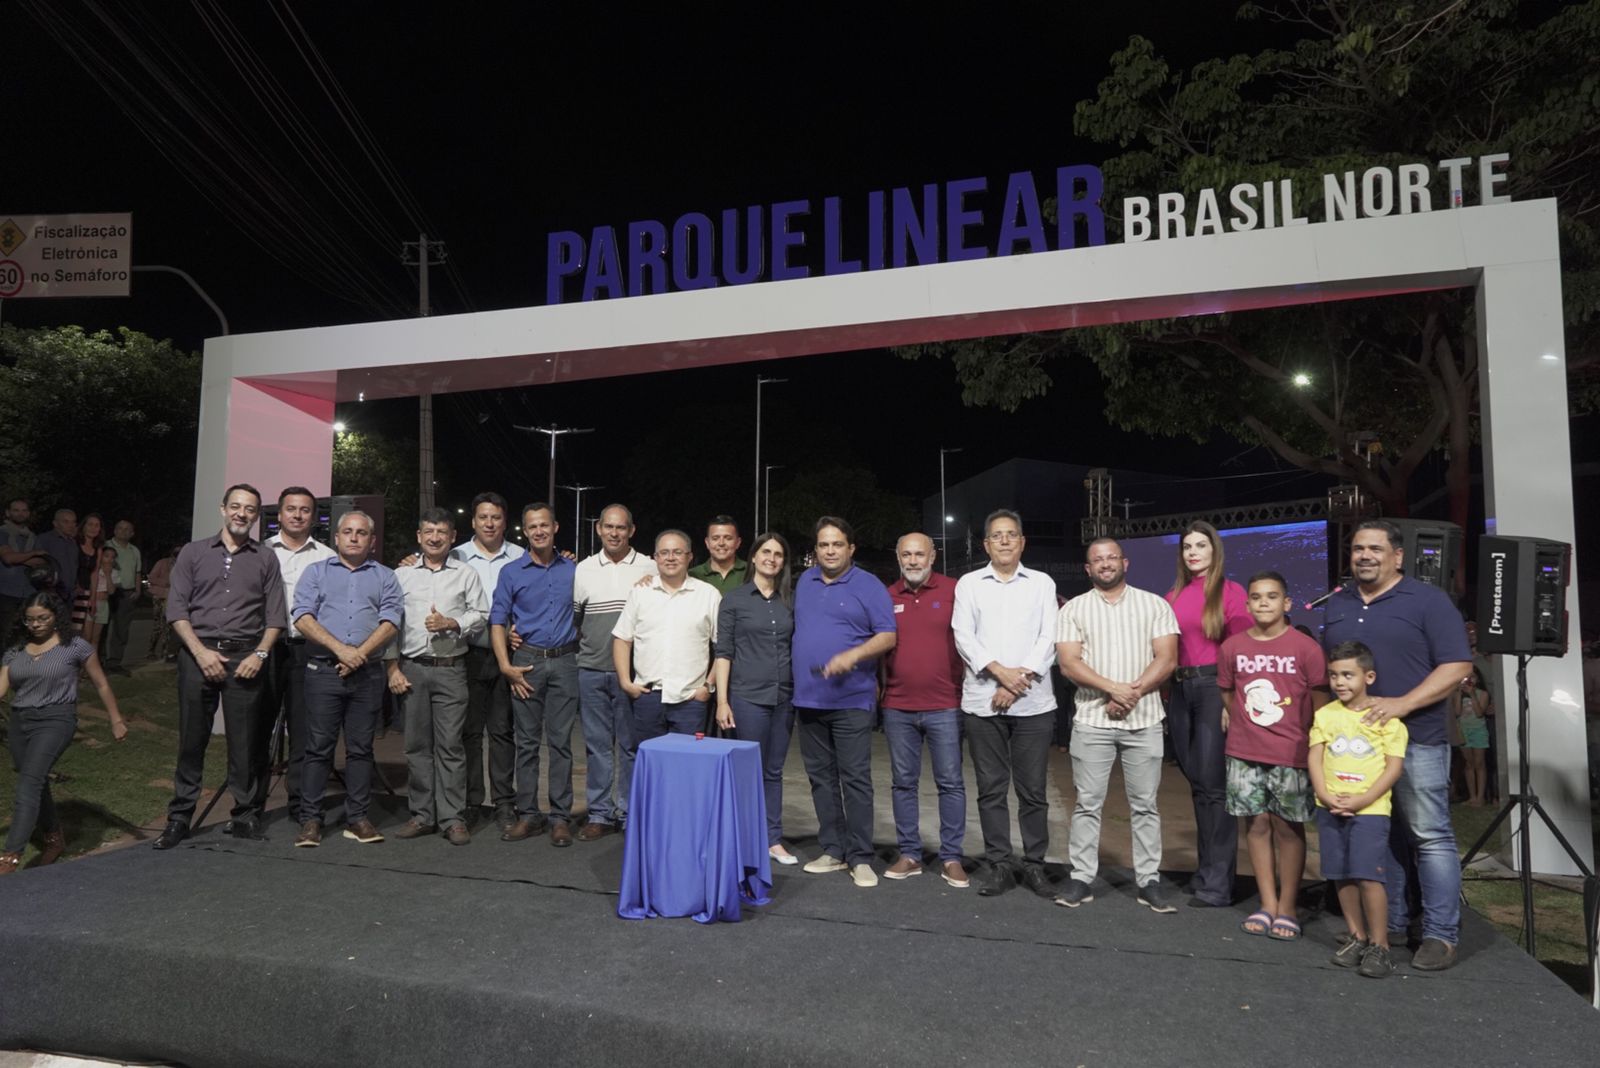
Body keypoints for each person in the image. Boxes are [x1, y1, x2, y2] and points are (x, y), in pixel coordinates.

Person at [1321, 519, 1472, 971]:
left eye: (1375, 549)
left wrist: (1403, 703)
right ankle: (1393, 925)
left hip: (1419, 740)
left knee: (1430, 836)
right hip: (1356, 752)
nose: (1365, 556)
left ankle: (1441, 935)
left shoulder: (1428, 600)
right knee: (1380, 837)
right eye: (1357, 549)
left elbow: (1458, 665)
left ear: (1398, 556)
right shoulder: (1338, 603)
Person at [155, 484, 287, 850]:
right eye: (236, 506)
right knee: (191, 741)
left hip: (245, 659)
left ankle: (244, 816)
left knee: (245, 745)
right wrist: (200, 653)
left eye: (250, 509)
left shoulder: (265, 558)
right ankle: (180, 819)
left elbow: (276, 615)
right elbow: (177, 610)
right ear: (223, 509)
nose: (242, 514)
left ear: (257, 515)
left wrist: (259, 654)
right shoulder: (194, 553)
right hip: (198, 656)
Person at [1055, 537, 1181, 912]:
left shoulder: (1154, 604)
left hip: (1143, 720)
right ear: (1088, 569)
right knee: (1087, 804)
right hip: (1093, 720)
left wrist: (1132, 693)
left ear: (1125, 563)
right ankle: (1081, 878)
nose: (1105, 564)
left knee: (1144, 805)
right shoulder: (1074, 609)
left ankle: (1149, 880)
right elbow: (1069, 663)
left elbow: (1168, 658)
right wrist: (1113, 689)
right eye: (1097, 560)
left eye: (1112, 558)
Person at [951, 511, 1059, 897]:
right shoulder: (969, 584)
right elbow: (963, 636)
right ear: (986, 544)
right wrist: (999, 672)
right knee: (991, 789)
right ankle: (999, 864)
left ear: (1022, 542)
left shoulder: (1042, 584)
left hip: (1032, 703)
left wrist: (1018, 681)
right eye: (997, 536)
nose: (1004, 541)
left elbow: (1050, 637)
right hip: (983, 703)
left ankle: (1034, 866)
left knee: (1033, 791)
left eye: (1011, 535)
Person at [1217, 571, 1328, 941]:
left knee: (1287, 827)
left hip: (1291, 751)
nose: (1264, 603)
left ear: (1287, 603)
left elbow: (1319, 702)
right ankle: (1266, 903)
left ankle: (1288, 906)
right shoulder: (1233, 647)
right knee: (1258, 825)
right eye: (1257, 597)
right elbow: (1229, 694)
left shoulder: (1305, 648)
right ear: (1247, 604)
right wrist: (1244, 726)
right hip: (1244, 751)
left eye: (1272, 596)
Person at [792, 516, 897, 889]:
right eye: (823, 545)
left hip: (851, 698)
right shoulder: (804, 581)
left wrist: (852, 657)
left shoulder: (868, 586)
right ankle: (833, 850)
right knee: (820, 779)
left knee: (854, 779)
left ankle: (861, 856)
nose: (830, 551)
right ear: (816, 549)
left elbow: (887, 636)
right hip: (809, 698)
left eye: (837, 544)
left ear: (851, 548)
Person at [291, 510, 403, 847]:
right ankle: (310, 819)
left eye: (362, 533)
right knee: (318, 749)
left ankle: (358, 817)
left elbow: (391, 620)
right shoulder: (316, 572)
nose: (354, 537)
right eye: (348, 532)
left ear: (372, 540)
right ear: (336, 538)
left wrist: (359, 654)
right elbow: (302, 616)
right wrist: (342, 650)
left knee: (360, 749)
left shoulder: (386, 576)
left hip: (367, 675)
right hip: (323, 672)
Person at [0, 593, 127, 874]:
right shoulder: (16, 648)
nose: (35, 624)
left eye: (42, 618)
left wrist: (116, 719)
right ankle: (54, 837)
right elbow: (2, 685)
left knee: (28, 784)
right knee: (34, 778)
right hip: (20, 722)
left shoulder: (75, 646)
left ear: (56, 616)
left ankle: (10, 857)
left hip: (56, 720)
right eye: (30, 619)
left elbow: (101, 684)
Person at [1165, 521, 1252, 907]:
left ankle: (1218, 885)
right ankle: (1206, 874)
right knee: (1199, 785)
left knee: (1215, 788)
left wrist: (1233, 702)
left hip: (1214, 688)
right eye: (1187, 546)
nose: (1193, 552)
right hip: (1180, 691)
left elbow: (1241, 650)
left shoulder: (1230, 593)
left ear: (1215, 550)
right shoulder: (1173, 595)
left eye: (1201, 545)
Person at [1309, 640, 1408, 979]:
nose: (1340, 682)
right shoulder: (1325, 715)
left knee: (1368, 875)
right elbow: (1315, 756)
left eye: (1348, 675)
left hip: (1370, 811)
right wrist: (1324, 793)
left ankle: (1380, 946)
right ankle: (1357, 937)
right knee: (1340, 873)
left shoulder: (1388, 720)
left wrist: (1363, 800)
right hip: (1331, 807)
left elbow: (1393, 768)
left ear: (1368, 676)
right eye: (1334, 675)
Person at [388, 508, 487, 845]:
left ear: (452, 537)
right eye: (428, 531)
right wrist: (392, 667)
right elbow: (389, 625)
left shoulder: (466, 573)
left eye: (441, 532)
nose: (434, 537)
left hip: (451, 670)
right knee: (417, 747)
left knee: (450, 747)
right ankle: (422, 815)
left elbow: (482, 614)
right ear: (419, 536)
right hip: (412, 669)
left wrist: (452, 623)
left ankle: (452, 817)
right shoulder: (400, 576)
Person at [881, 531, 967, 887]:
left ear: (933, 555)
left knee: (950, 783)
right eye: (906, 555)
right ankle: (910, 854)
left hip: (945, 705)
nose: (913, 561)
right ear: (898, 557)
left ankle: (951, 858)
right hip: (898, 706)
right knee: (903, 783)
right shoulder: (887, 596)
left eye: (919, 554)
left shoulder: (955, 590)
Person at [492, 503, 581, 847]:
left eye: (544, 525)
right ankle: (528, 815)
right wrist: (505, 665)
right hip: (526, 663)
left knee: (561, 744)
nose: (539, 531)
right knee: (526, 743)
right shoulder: (511, 572)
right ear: (525, 531)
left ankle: (559, 818)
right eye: (532, 526)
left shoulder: (574, 569)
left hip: (565, 661)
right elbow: (498, 620)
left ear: (555, 527)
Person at [713, 532, 798, 866]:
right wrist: (722, 701)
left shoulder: (789, 600)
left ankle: (771, 838)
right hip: (747, 697)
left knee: (773, 771)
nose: (772, 558)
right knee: (746, 770)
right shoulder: (734, 600)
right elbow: (724, 653)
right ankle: (741, 837)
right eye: (766, 552)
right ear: (753, 556)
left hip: (784, 698)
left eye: (778, 554)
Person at [573, 504, 656, 835]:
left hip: (633, 674)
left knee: (630, 746)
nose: (614, 533)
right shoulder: (584, 569)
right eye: (608, 526)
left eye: (621, 527)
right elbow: (578, 620)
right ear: (598, 529)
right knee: (596, 746)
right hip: (591, 669)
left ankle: (627, 811)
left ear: (631, 531)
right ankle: (599, 813)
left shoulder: (650, 566)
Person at [450, 492, 526, 832]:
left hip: (506, 657)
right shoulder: (456, 556)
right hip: (466, 654)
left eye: (495, 517)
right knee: (469, 733)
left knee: (501, 731)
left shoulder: (521, 556)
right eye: (483, 517)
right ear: (474, 522)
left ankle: (504, 802)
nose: (490, 523)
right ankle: (469, 801)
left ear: (504, 521)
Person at [261, 487, 337, 820]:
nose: (297, 515)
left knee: (305, 730)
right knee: (258, 728)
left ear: (314, 516)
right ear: (279, 515)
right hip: (266, 649)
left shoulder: (326, 556)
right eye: (290, 509)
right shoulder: (260, 552)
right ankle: (250, 804)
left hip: (308, 650)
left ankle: (300, 803)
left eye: (305, 510)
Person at [613, 529, 721, 741]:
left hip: (691, 701)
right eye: (664, 553)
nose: (670, 558)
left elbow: (723, 647)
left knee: (688, 766)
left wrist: (708, 687)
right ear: (655, 558)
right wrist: (626, 683)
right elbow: (622, 639)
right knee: (650, 765)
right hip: (647, 698)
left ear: (689, 557)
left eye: (677, 552)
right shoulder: (640, 593)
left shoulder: (708, 595)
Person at [0, 498, 47, 641]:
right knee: (6, 636)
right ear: (8, 513)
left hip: (29, 592)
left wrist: (19, 557)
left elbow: (40, 562)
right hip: (6, 592)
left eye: (24, 510)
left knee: (25, 636)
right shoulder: (2, 533)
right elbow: (8, 559)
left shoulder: (32, 536)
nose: (20, 514)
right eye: (16, 510)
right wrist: (32, 553)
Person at [101, 519, 143, 675]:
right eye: (120, 528)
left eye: (127, 529)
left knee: (121, 629)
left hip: (126, 594)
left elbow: (137, 572)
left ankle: (114, 662)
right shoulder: (106, 546)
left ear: (132, 533)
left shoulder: (134, 551)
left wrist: (138, 590)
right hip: (106, 591)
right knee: (102, 628)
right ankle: (100, 661)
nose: (123, 531)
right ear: (115, 530)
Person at [1452, 666, 1491, 807]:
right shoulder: (1458, 694)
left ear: (1477, 679)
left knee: (1479, 764)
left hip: (1478, 731)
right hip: (1463, 731)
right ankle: (1472, 797)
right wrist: (1458, 694)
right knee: (1469, 764)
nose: (1469, 680)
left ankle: (1480, 797)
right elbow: (1456, 713)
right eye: (1465, 677)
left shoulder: (1483, 694)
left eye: (1472, 677)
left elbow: (1480, 713)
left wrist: (1473, 694)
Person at [687, 515, 749, 595]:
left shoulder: (751, 572)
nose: (721, 543)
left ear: (738, 542)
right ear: (707, 543)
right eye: (715, 538)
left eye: (728, 538)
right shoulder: (693, 575)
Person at [37, 509, 80, 605]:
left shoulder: (73, 543)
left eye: (73, 522)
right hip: (50, 595)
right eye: (66, 522)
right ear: (55, 523)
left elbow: (75, 565)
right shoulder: (44, 539)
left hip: (69, 596)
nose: (71, 525)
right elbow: (37, 566)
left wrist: (76, 586)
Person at [83, 546, 119, 658]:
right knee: (86, 637)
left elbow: (111, 591)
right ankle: (82, 664)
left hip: (103, 605)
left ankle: (92, 664)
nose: (109, 559)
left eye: (113, 557)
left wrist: (108, 574)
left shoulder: (114, 573)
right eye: (107, 556)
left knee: (96, 638)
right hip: (92, 603)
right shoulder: (94, 570)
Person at [72, 513, 105, 631]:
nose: (93, 528)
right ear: (83, 526)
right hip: (70, 590)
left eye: (97, 525)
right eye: (90, 524)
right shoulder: (74, 543)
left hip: (85, 592)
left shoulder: (98, 549)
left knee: (76, 628)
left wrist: (93, 598)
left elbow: (95, 574)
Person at [146, 544, 179, 661]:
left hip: (172, 599)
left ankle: (166, 653)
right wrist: (166, 582)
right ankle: (151, 651)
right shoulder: (162, 563)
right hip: (160, 597)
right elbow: (151, 578)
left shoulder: (182, 564)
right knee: (158, 626)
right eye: (176, 553)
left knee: (169, 627)